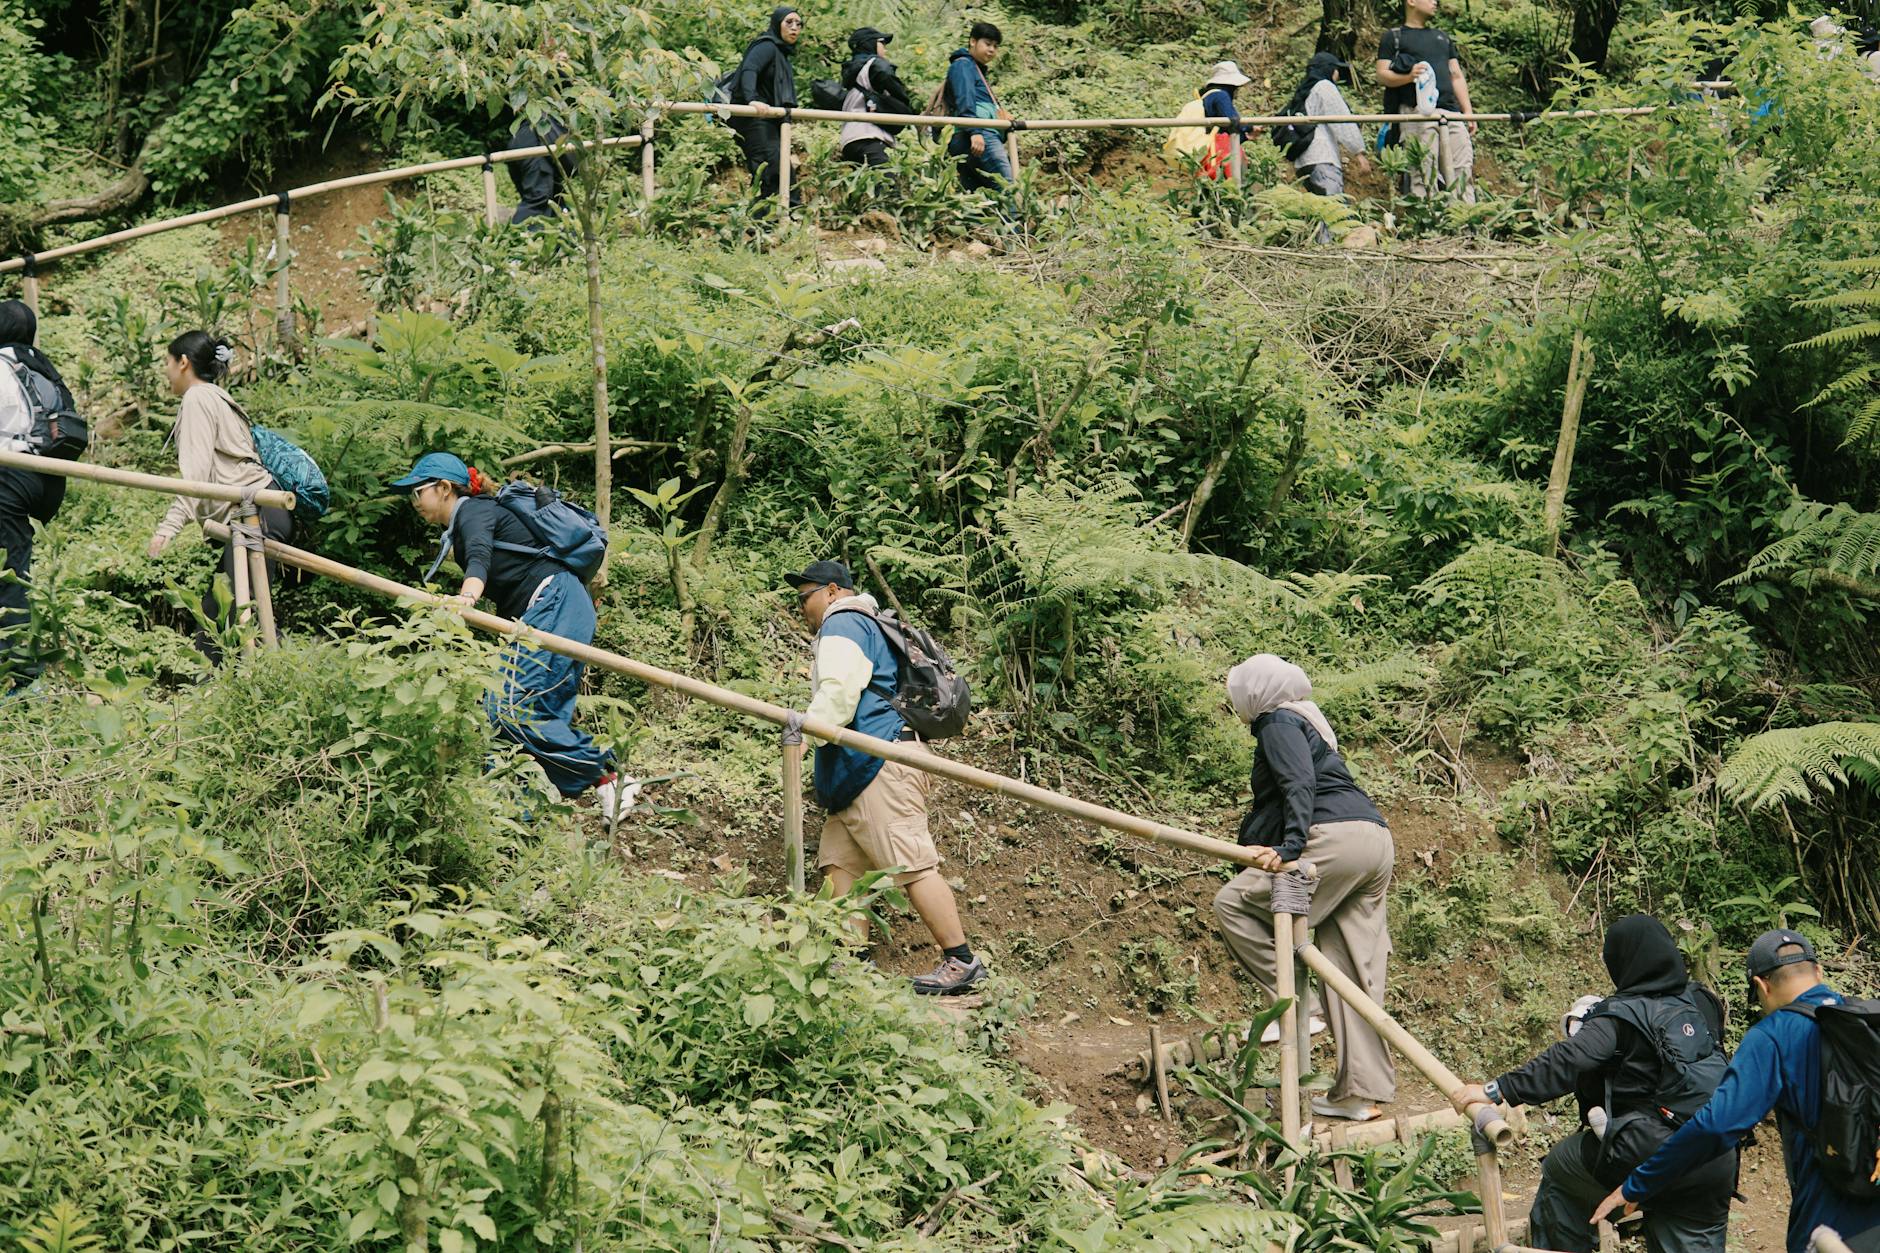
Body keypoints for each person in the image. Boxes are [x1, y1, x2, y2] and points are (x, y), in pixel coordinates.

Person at [1453, 915, 1735, 1253]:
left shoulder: (1619, 1015)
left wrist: (1494, 1090)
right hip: (1717, 1152)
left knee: (1561, 1167)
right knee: (1686, 1225)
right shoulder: (1702, 1001)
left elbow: (1568, 1061)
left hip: (1649, 1152)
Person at [1591, 930, 1880, 1253]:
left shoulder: (1773, 1036)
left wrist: (1637, 1184)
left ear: (1761, 986)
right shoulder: (1867, 1020)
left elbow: (1716, 1126)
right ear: (1819, 972)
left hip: (1826, 1223)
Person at [389, 452, 626, 819]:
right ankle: (516, 816)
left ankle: (608, 775)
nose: (414, 502)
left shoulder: (472, 511)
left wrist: (467, 597)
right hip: (564, 606)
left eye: (417, 492)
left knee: (508, 707)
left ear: (444, 488)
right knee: (514, 712)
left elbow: (480, 556)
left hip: (556, 600)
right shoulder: (469, 519)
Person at [788, 559, 986, 996]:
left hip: (880, 761)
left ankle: (961, 961)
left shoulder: (845, 621)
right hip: (858, 769)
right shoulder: (864, 624)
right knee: (840, 864)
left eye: (806, 596)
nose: (801, 606)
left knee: (911, 863)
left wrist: (804, 734)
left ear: (834, 591)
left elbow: (839, 690)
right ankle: (849, 962)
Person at [1212, 654, 1396, 1120]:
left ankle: (1298, 1005)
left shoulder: (1277, 720)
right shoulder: (1312, 723)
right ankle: (1359, 1095)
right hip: (1373, 842)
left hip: (1332, 838)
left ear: (1255, 691)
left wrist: (1293, 846)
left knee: (1233, 902)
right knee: (1351, 968)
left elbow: (1299, 783)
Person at [144, 331, 295, 661]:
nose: (166, 371)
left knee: (236, 620)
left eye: (167, 363)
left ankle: (283, 682)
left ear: (183, 363)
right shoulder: (218, 397)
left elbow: (195, 477)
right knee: (221, 616)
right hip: (260, 511)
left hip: (256, 514)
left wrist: (168, 527)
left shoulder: (198, 399)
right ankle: (228, 693)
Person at [0, 300, 70, 693]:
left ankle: (23, 679)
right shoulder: (40, 366)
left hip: (11, 476)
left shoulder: (0, 366)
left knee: (8, 573)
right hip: (47, 480)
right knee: (16, 568)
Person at [1375, 0, 1477, 202]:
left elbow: (1456, 75)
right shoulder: (1394, 37)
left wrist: (1468, 111)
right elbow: (1381, 74)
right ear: (1411, 1)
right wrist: (1409, 77)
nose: (1435, 2)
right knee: (1423, 170)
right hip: (1417, 112)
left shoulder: (1442, 37)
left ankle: (1466, 222)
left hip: (1451, 111)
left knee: (1462, 168)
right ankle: (1427, 225)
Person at [730, 6, 802, 207]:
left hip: (767, 121)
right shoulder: (767, 46)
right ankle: (767, 224)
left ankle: (781, 221)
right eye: (789, 22)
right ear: (777, 24)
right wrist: (752, 98)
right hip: (754, 119)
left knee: (778, 168)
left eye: (798, 24)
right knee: (770, 168)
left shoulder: (781, 53)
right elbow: (749, 69)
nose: (794, 27)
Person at [1286, 53, 1372, 206]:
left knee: (1321, 212)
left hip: (1304, 162)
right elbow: (1342, 120)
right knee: (1333, 211)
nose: (1338, 74)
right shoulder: (1324, 87)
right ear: (1329, 70)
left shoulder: (1306, 91)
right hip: (1322, 158)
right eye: (1336, 69)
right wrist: (1359, 152)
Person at [945, 22, 1012, 195]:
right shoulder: (963, 65)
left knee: (977, 193)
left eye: (995, 46)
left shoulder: (974, 68)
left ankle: (986, 222)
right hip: (979, 134)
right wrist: (975, 131)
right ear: (973, 42)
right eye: (988, 44)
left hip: (974, 133)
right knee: (1006, 185)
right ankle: (1015, 222)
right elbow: (964, 99)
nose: (992, 50)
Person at [838, 27, 913, 167]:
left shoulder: (851, 71)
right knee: (887, 185)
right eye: (882, 43)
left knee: (865, 187)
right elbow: (890, 81)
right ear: (870, 43)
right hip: (870, 137)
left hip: (850, 139)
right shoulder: (875, 64)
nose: (885, 48)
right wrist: (902, 101)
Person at [1197, 61, 1253, 182]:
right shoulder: (1221, 96)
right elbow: (1231, 120)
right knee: (1233, 183)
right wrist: (1249, 128)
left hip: (1208, 149)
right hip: (1220, 150)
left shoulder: (1207, 95)